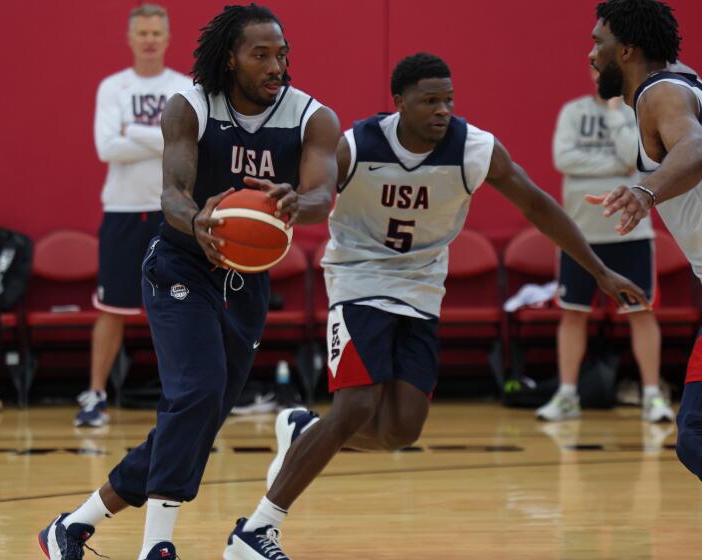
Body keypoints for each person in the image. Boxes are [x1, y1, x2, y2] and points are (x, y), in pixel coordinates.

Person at [223, 52, 649, 560]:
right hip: (358, 279)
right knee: (356, 406)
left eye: (448, 99)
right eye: (429, 101)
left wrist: (599, 271)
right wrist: (294, 202)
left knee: (401, 431)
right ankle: (257, 530)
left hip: (422, 288)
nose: (442, 110)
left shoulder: (474, 149)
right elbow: (316, 197)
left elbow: (537, 204)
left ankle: (300, 431)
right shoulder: (357, 145)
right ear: (398, 104)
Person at [39, 4, 340, 559]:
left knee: (195, 420)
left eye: (282, 54)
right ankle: (158, 547)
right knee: (196, 393)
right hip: (180, 264)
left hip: (247, 281)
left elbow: (324, 192)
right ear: (230, 59)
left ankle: (71, 527)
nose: (277, 65)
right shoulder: (192, 105)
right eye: (261, 54)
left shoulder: (312, 117)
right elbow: (173, 192)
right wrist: (196, 217)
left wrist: (303, 201)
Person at [583, 0, 702, 480]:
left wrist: (644, 191)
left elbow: (695, 148)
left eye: (598, 42)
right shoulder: (680, 80)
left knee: (695, 435)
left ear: (627, 50)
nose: (591, 54)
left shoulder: (660, 96)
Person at [76, 4, 192, 428]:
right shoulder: (113, 88)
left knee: (183, 307)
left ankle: (183, 398)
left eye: (155, 32)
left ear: (167, 38)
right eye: (141, 32)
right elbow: (107, 149)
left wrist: (134, 133)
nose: (148, 39)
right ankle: (95, 395)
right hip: (123, 211)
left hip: (173, 210)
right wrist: (165, 138)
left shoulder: (184, 87)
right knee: (112, 308)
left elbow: (189, 145)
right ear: (130, 38)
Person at [536, 67, 672, 423]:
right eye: (596, 69)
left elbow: (633, 157)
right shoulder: (573, 112)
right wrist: (615, 165)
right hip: (578, 234)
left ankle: (652, 396)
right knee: (572, 313)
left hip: (629, 232)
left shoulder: (634, 111)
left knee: (641, 312)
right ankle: (567, 396)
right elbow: (563, 159)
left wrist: (614, 115)